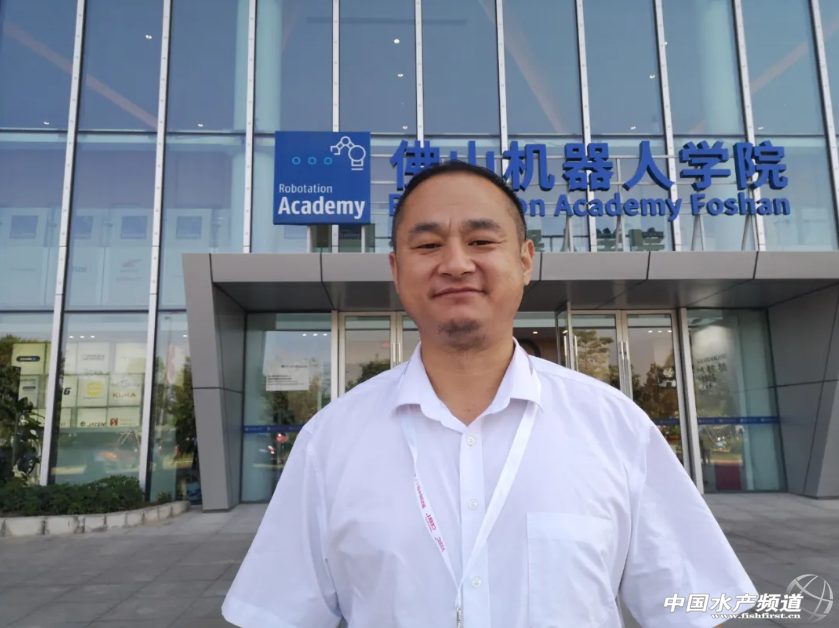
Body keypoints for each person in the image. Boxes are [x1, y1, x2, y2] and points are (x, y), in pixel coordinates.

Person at [222, 161, 758, 628]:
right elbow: (278, 614)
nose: (456, 263)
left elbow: (694, 606)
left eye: (481, 241)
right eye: (428, 245)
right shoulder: (331, 441)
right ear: (396, 270)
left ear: (526, 260)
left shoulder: (614, 425)